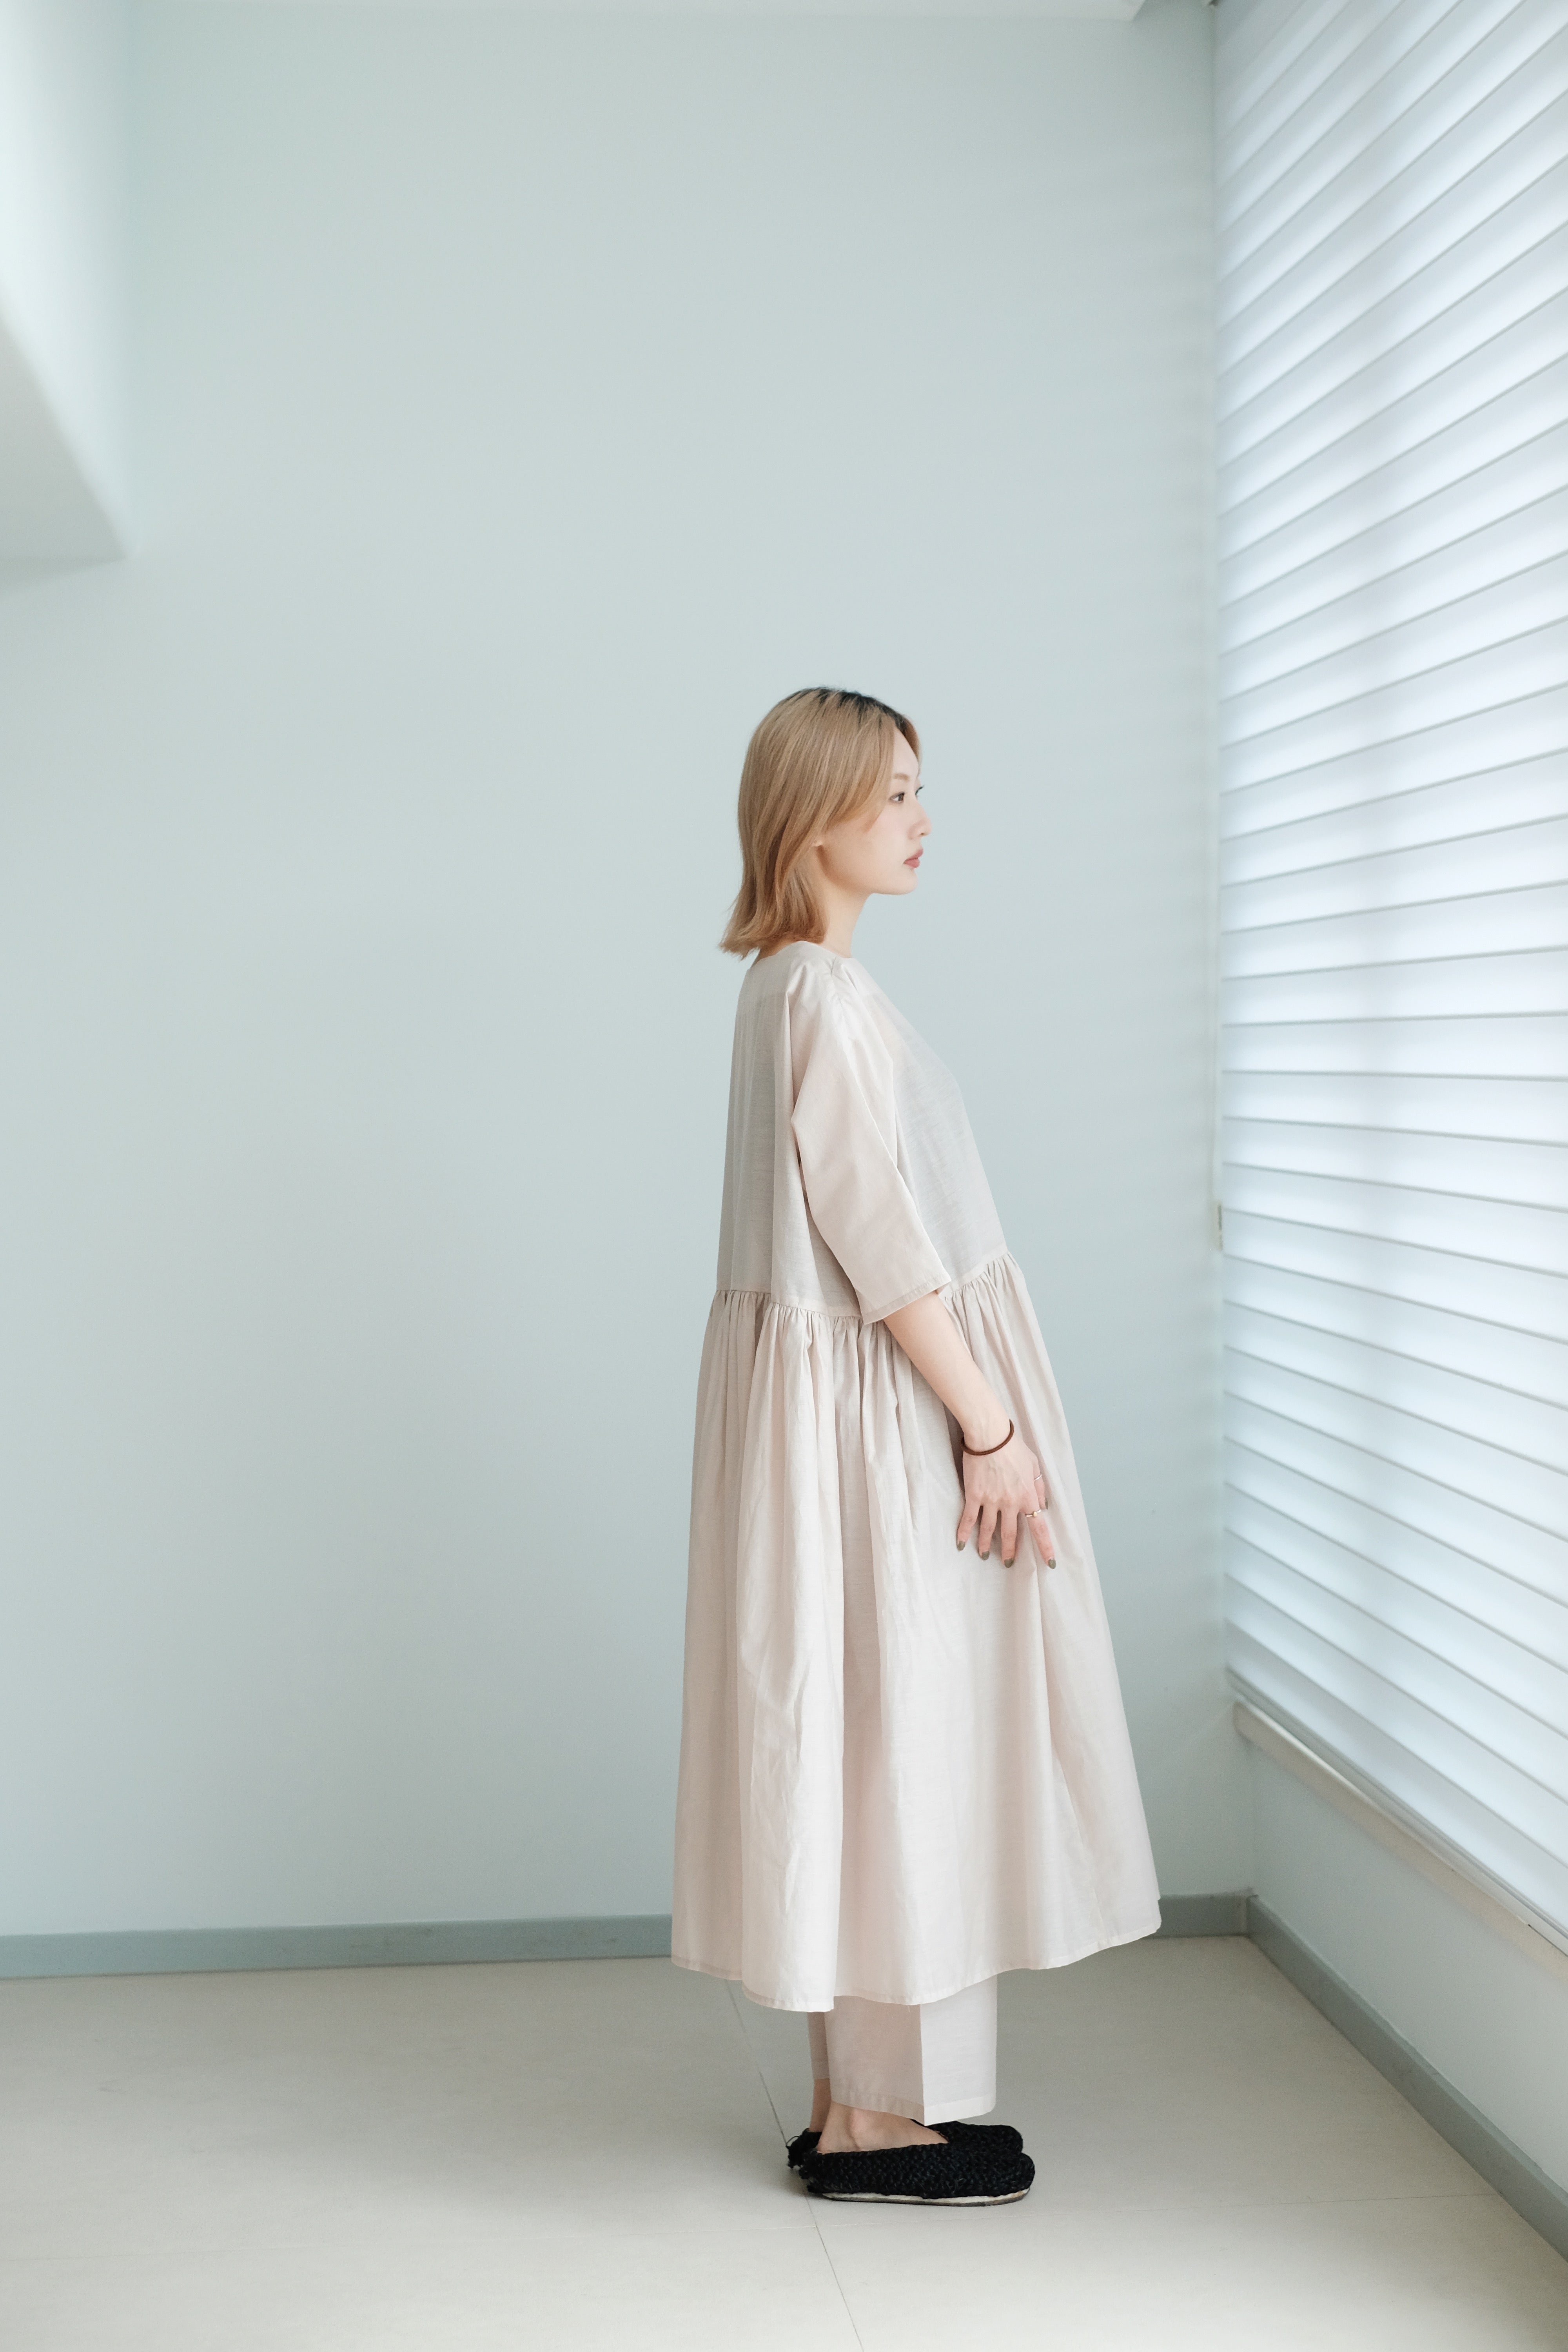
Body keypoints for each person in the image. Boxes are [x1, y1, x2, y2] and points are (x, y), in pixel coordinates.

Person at [673, 688, 1160, 2206]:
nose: (920, 818)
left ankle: (862, 2106)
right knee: (907, 1744)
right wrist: (991, 1427)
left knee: (863, 1742)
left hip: (834, 1424)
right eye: (892, 792)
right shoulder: (821, 995)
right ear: (813, 813)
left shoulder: (782, 989)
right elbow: (881, 1247)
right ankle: (877, 2125)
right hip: (881, 1426)